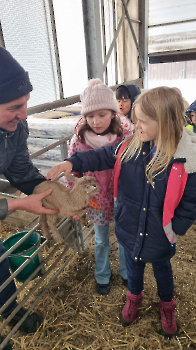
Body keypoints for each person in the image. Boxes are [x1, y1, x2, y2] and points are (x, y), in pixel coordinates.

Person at [46, 86, 196, 338]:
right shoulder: (130, 147)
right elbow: (100, 156)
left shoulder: (185, 161)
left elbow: (190, 201)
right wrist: (72, 162)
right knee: (134, 269)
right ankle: (134, 299)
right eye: (136, 120)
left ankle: (167, 306)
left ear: (165, 123)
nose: (137, 126)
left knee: (162, 270)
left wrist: (175, 228)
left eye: (144, 122)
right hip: (128, 225)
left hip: (161, 232)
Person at [0, 47, 59, 350]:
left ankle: (10, 310)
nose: (24, 114)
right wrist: (22, 205)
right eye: (14, 106)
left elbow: (22, 172)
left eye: (26, 103)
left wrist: (55, 198)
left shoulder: (15, 128)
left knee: (0, 265)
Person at [63, 78, 134, 295]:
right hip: (96, 199)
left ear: (113, 113)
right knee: (101, 239)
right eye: (90, 116)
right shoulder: (80, 140)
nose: (95, 121)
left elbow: (134, 164)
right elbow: (72, 173)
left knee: (124, 237)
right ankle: (102, 275)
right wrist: (74, 198)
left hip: (122, 196)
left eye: (101, 114)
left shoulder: (125, 136)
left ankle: (126, 272)